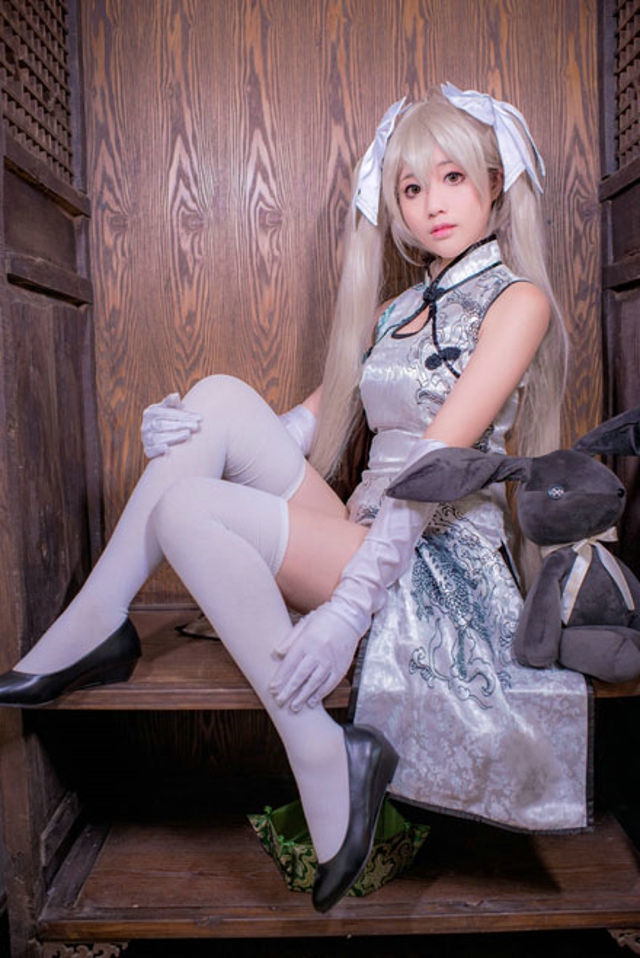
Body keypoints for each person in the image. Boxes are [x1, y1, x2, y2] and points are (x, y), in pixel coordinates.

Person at [0, 84, 590, 911]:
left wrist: (347, 610)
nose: (431, 205)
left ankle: (317, 747)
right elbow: (300, 426)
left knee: (187, 510)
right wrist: (182, 431)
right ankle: (101, 621)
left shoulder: (517, 301)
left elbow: (432, 470)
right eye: (411, 188)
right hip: (359, 526)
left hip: (430, 558)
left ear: (493, 183)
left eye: (453, 178)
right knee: (215, 396)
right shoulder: (395, 311)